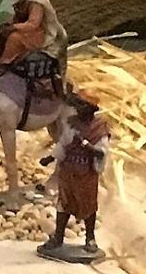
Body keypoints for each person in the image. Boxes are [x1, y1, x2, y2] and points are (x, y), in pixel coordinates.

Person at [39, 92, 110, 261]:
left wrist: (86, 145)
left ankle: (90, 238)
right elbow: (63, 144)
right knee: (64, 203)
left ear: (90, 110)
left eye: (82, 107)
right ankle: (58, 237)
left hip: (86, 172)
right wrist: (51, 158)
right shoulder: (72, 123)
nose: (78, 110)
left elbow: (102, 152)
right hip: (69, 169)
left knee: (88, 205)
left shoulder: (99, 129)